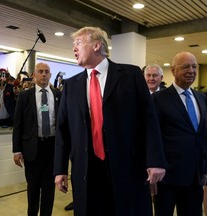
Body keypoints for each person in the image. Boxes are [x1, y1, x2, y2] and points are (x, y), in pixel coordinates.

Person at [53, 26, 166, 216]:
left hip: (126, 166)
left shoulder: (130, 75)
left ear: (97, 45)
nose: (74, 48)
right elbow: (63, 130)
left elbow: (149, 120)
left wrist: (155, 160)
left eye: (78, 43)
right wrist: (60, 169)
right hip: (86, 169)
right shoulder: (71, 85)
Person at [151, 51, 207, 216]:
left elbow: (203, 136)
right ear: (173, 70)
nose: (191, 70)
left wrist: (204, 170)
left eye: (194, 66)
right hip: (167, 178)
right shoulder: (158, 99)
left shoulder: (201, 98)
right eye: (185, 67)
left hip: (195, 178)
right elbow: (152, 137)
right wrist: (152, 168)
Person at [13, 62, 61, 216]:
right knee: (33, 188)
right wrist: (16, 150)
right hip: (32, 148)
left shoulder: (59, 96)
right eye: (40, 71)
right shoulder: (25, 96)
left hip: (52, 148)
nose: (44, 74)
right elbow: (18, 124)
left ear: (51, 75)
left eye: (47, 72)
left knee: (49, 188)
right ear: (33, 75)